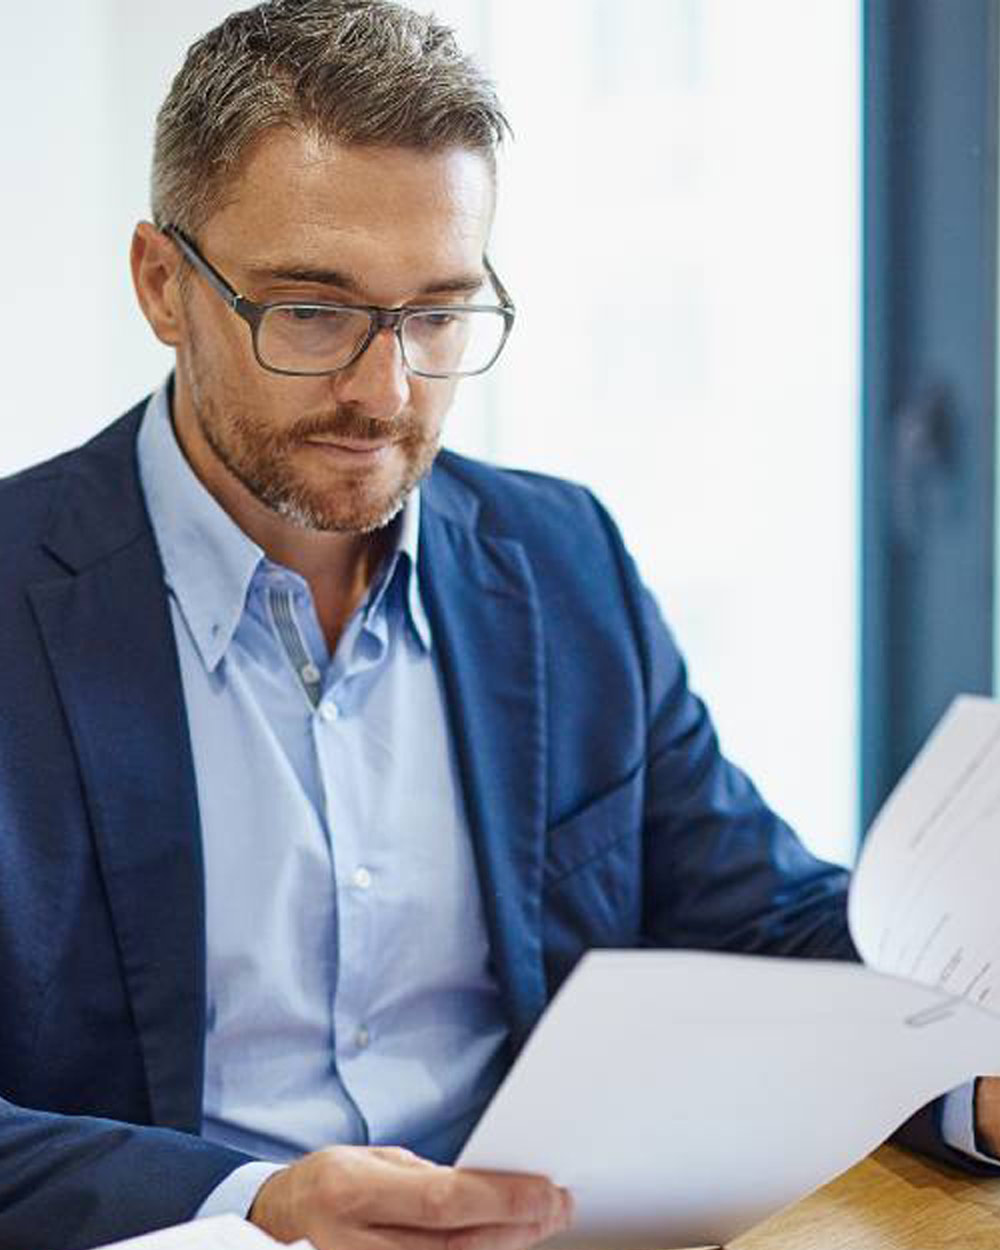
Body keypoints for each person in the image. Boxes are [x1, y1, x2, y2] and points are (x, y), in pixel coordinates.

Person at [1, 2, 998, 1247]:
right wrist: (259, 1200)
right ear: (162, 284)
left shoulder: (559, 558)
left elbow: (756, 918)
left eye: (437, 313)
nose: (387, 392)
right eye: (311, 311)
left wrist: (967, 1080)